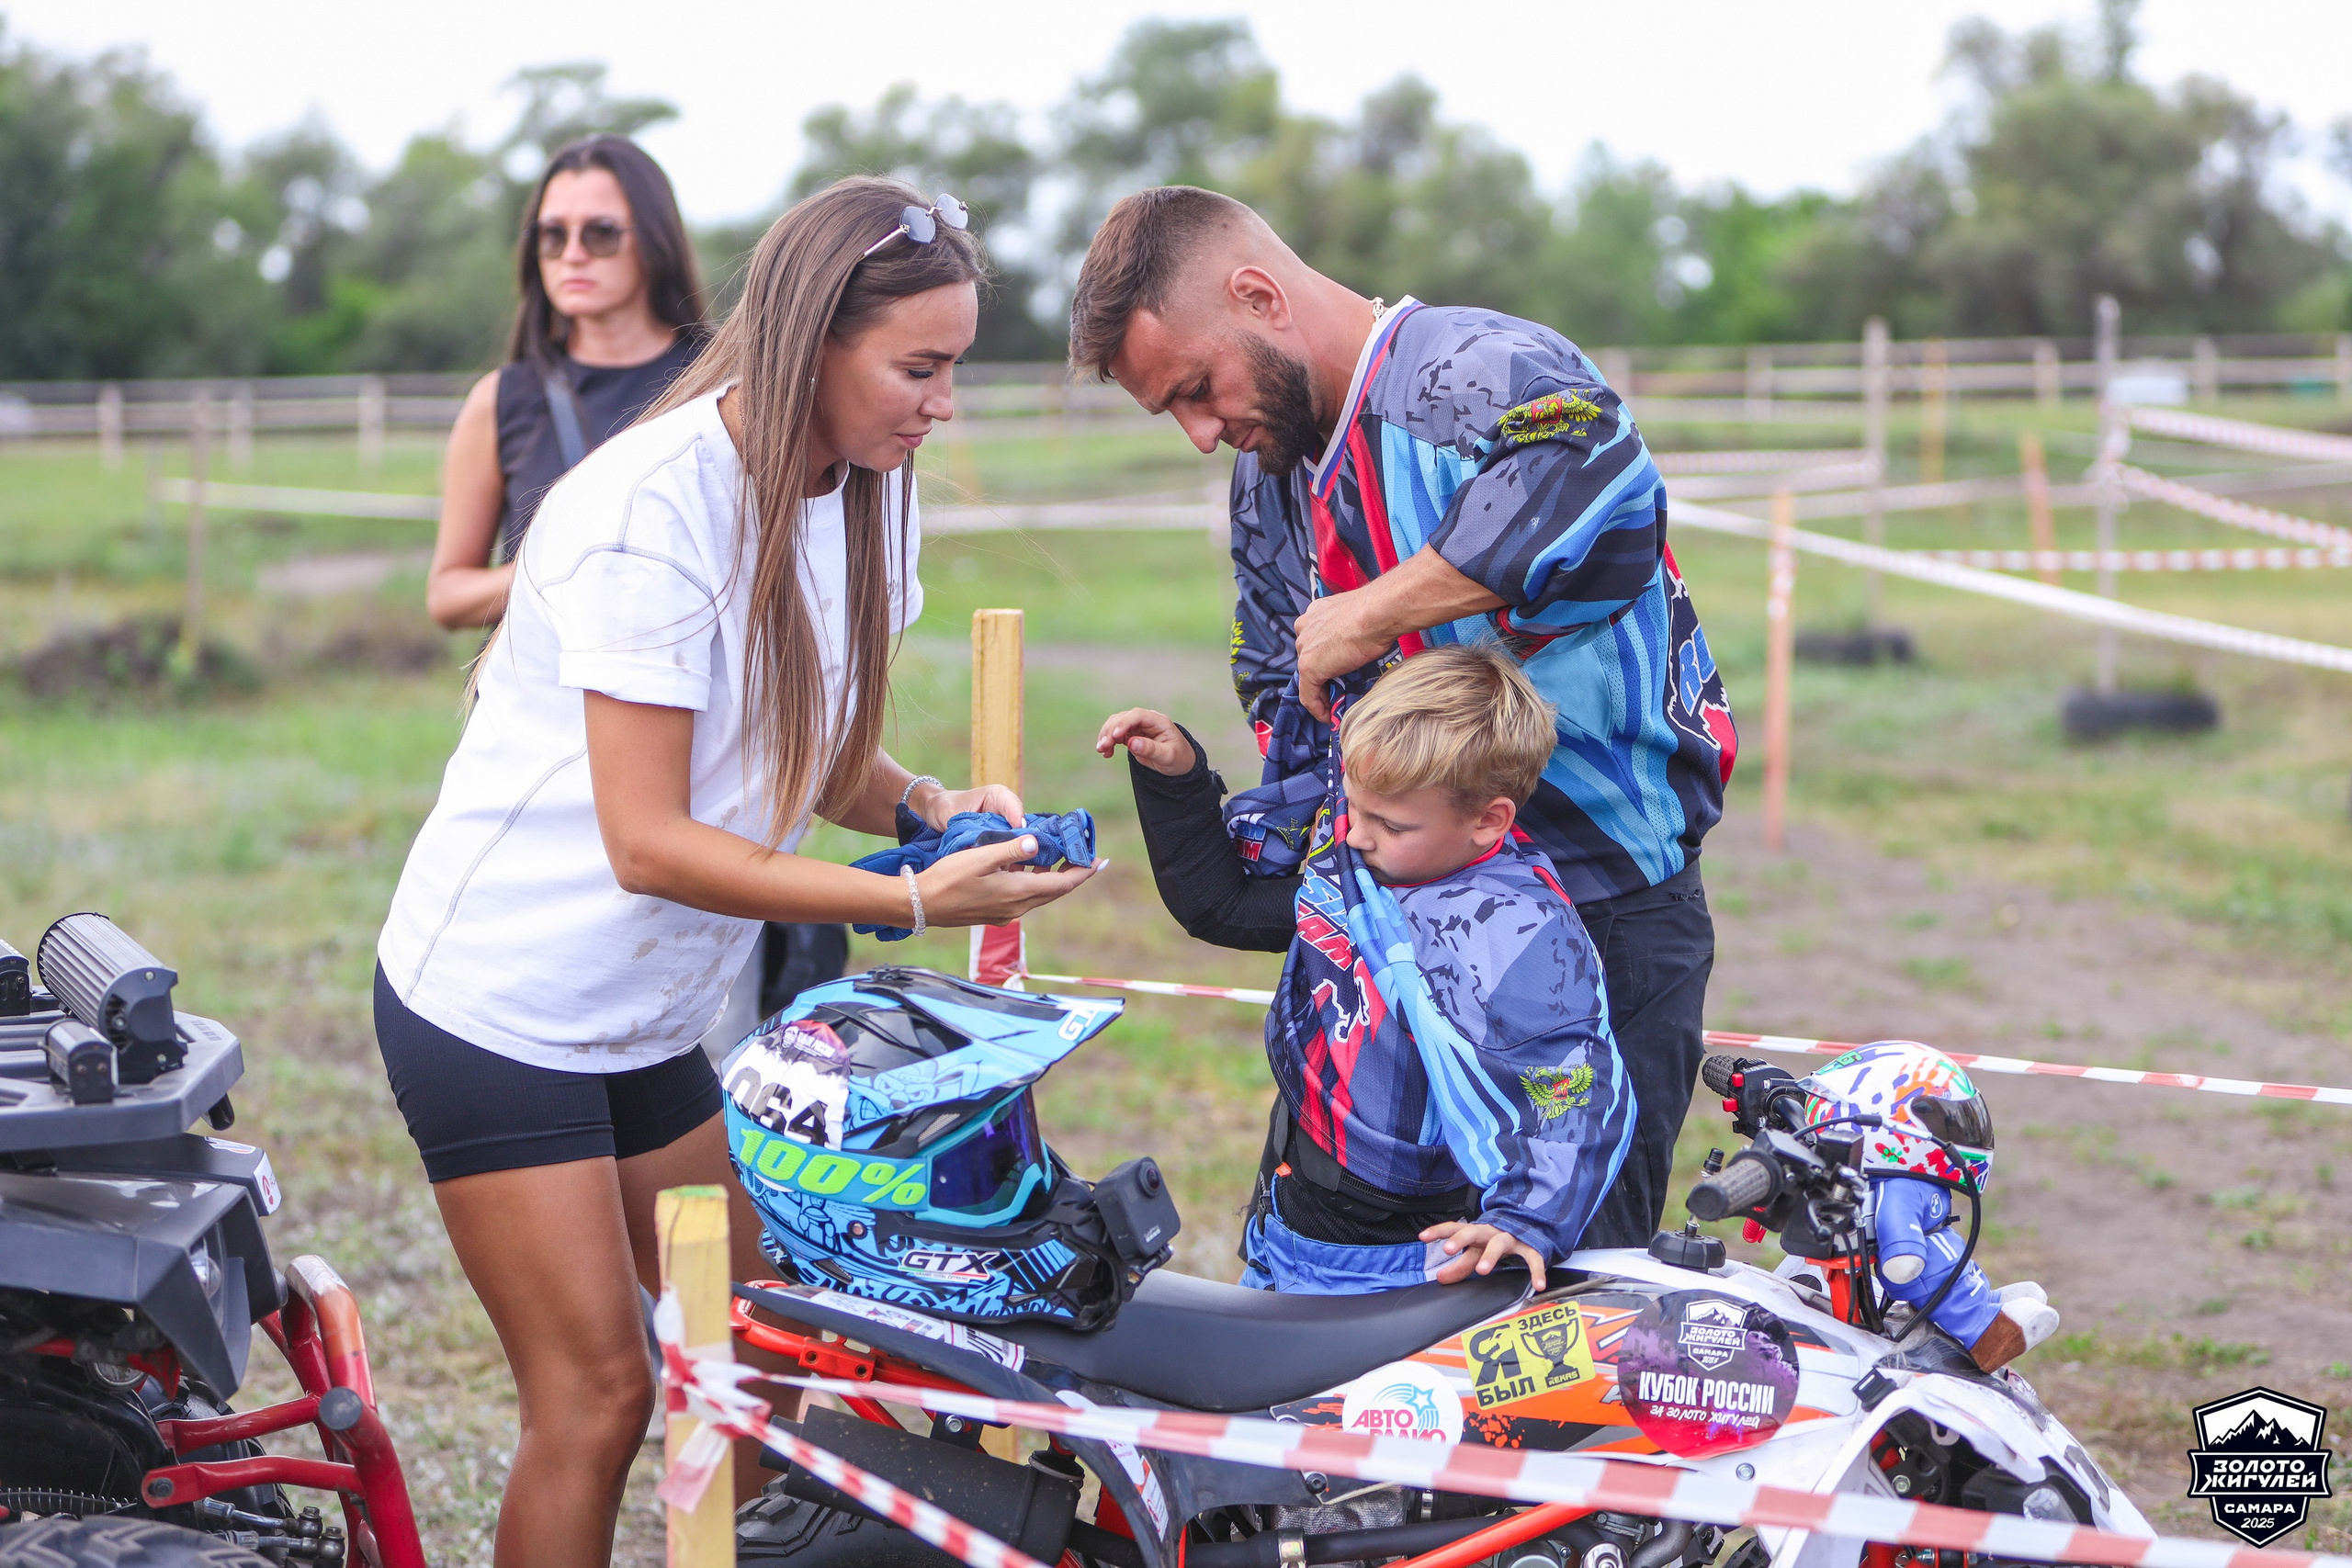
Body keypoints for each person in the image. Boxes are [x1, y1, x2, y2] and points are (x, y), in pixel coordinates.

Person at [374, 177, 1102, 1568]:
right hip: (501, 1006)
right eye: (920, 366)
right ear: (814, 342)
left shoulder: (865, 493)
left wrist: (933, 807)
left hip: (644, 1013)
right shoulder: (648, 510)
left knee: (764, 1358)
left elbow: (811, 755)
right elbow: (646, 839)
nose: (942, 402)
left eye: (952, 366)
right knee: (596, 1396)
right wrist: (907, 899)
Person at [1069, 186, 1735, 1250]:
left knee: (1552, 1328)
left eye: (1199, 388)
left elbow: (1598, 477)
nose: (1201, 434)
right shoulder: (1269, 474)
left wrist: (1376, 609)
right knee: (1350, 1330)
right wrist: (1223, 836)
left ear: (1257, 295)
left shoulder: (1463, 366)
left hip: (1594, 925)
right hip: (1380, 942)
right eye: (1173, 413)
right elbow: (1288, 699)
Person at [1098, 644, 1634, 1293]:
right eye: (1355, 808)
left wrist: (1527, 1218)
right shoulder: (1374, 857)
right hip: (1291, 1202)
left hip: (1389, 1252)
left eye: (1389, 822)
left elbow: (1571, 1081)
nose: (1353, 836)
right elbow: (1225, 906)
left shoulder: (1516, 929)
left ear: (1488, 821)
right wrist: (1177, 779)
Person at [426, 132, 707, 632]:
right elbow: (447, 596)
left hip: (692, 694)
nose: (573, 254)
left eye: (600, 234)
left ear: (654, 239)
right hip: (542, 703)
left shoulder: (724, 381)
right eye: (552, 235)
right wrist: (567, 565)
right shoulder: (501, 399)